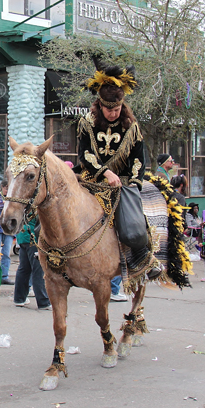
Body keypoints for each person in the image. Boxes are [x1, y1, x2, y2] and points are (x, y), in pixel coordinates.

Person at [77, 57, 162, 280]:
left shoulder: (131, 126)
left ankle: (143, 257)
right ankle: (52, 250)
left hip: (123, 181)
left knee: (132, 219)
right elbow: (85, 154)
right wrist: (105, 172)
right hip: (93, 177)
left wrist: (133, 184)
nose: (113, 113)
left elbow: (138, 159)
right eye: (109, 109)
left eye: (117, 109)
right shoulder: (87, 123)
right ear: (99, 105)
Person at [12, 215, 51, 310]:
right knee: (38, 270)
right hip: (33, 238)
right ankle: (43, 301)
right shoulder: (34, 205)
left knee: (24, 269)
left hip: (22, 236)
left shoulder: (22, 204)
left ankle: (19, 298)